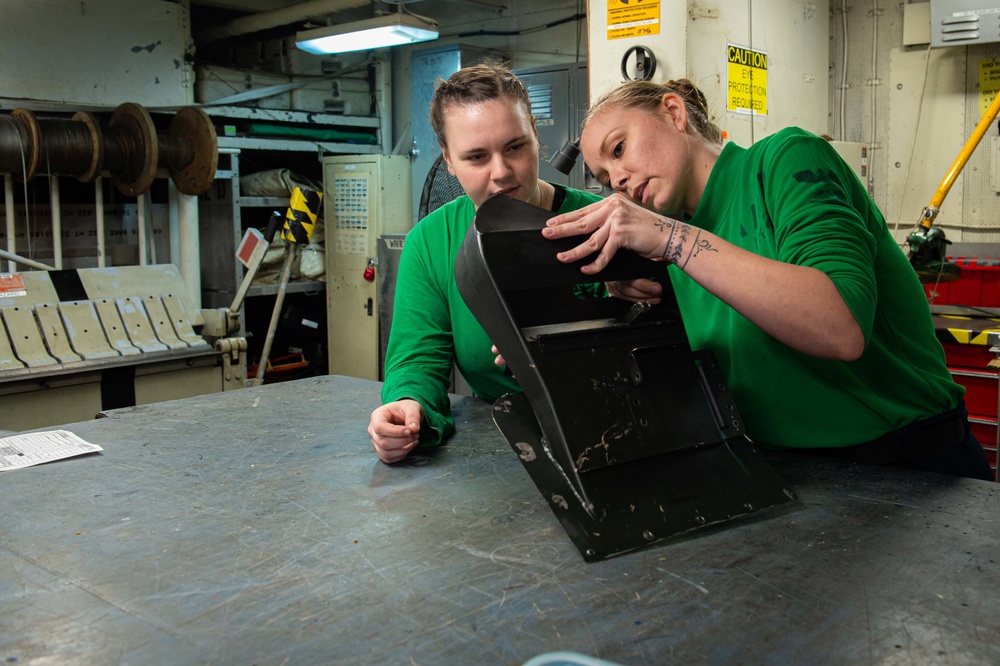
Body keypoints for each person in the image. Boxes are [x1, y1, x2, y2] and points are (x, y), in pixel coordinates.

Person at [541, 78, 993, 480]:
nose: (617, 178)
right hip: (785, 469)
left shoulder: (783, 160)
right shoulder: (668, 237)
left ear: (673, 113)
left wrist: (673, 240)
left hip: (910, 464)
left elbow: (841, 329)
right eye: (603, 177)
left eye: (619, 149)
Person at [367, 64, 603, 464]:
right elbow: (418, 356)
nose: (501, 173)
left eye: (515, 147)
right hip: (501, 443)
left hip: (611, 426)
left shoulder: (602, 222)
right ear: (448, 160)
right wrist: (408, 404)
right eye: (476, 157)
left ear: (536, 137)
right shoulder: (432, 241)